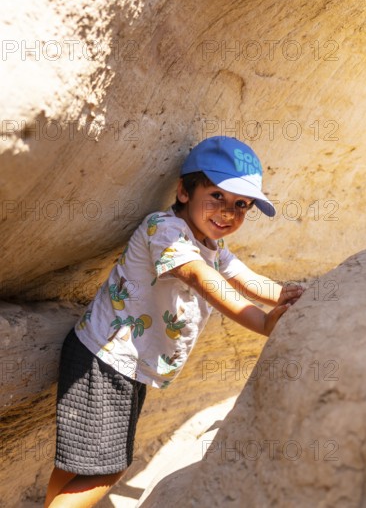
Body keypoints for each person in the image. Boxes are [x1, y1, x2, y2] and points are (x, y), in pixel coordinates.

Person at [44, 136, 304, 507]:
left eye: (242, 205)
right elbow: (200, 277)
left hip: (123, 364)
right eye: (218, 197)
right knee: (106, 469)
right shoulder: (164, 230)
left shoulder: (213, 246)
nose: (229, 213)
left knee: (80, 464)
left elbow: (244, 277)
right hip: (105, 359)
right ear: (184, 191)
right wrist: (262, 323)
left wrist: (285, 296)